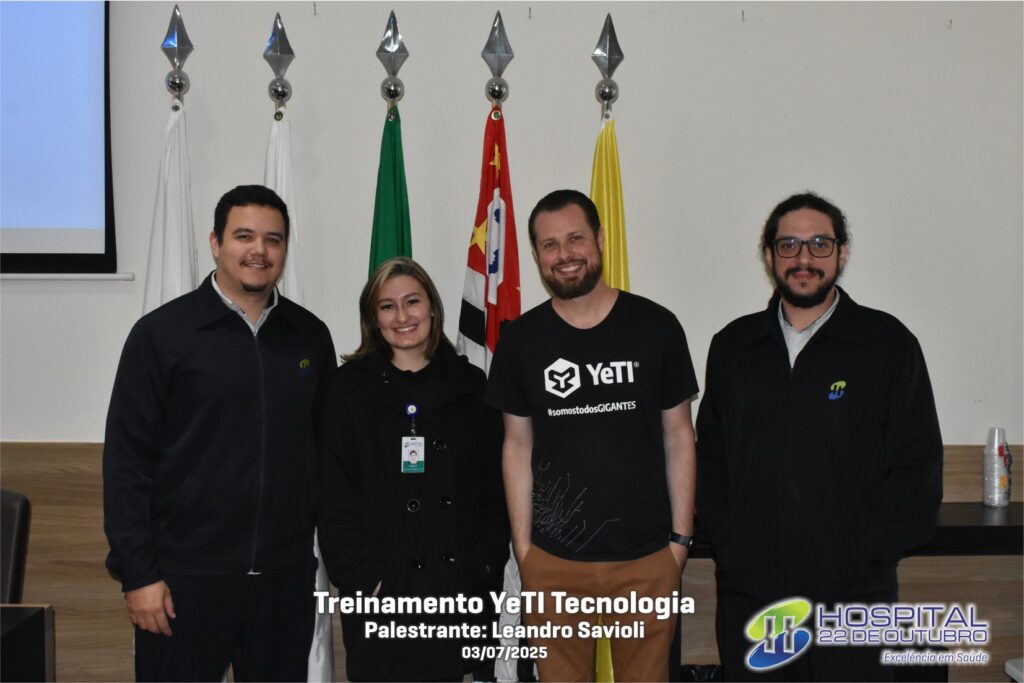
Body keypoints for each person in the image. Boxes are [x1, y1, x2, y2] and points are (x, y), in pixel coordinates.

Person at [696, 192, 943, 681]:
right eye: (789, 245)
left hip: (853, 595)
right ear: (770, 256)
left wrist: (862, 553)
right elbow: (713, 462)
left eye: (819, 244)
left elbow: (918, 466)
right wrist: (733, 547)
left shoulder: (886, 344)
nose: (804, 258)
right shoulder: (733, 347)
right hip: (753, 595)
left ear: (841, 253)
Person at [103, 185, 337, 681]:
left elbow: (325, 454)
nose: (259, 251)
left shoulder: (310, 336)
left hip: (283, 583)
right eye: (244, 236)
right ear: (216, 243)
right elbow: (127, 464)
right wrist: (139, 575)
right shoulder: (162, 335)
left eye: (273, 239)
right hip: (182, 584)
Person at [486, 189, 699, 682]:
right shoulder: (521, 340)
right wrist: (525, 550)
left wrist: (679, 542)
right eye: (550, 244)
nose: (565, 254)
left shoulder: (657, 327)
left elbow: (679, 435)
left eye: (575, 238)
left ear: (600, 238)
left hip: (648, 558)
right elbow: (516, 445)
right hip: (554, 561)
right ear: (536, 254)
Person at [317, 257, 509, 682]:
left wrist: (485, 566)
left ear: (433, 308)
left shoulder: (471, 386)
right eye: (387, 306)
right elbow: (332, 494)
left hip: (455, 590)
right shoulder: (348, 389)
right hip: (383, 594)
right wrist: (363, 578)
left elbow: (493, 492)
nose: (402, 316)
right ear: (373, 318)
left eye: (412, 302)